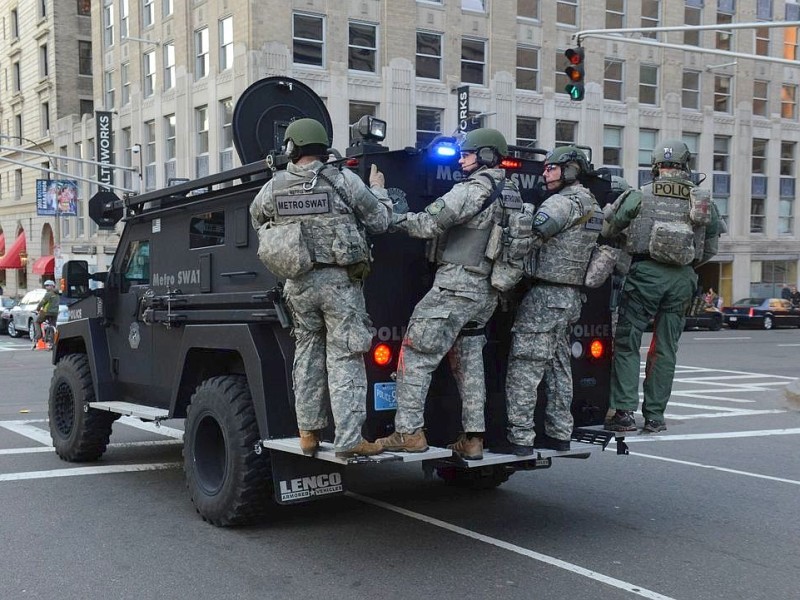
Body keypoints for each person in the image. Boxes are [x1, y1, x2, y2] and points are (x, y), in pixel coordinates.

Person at [374, 128, 523, 460]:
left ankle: (409, 432)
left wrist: (386, 208)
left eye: (468, 153)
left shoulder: (472, 191)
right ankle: (473, 438)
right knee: (469, 364)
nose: (461, 158)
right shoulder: (512, 193)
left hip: (456, 287)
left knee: (416, 352)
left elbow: (426, 224)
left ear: (486, 155)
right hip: (487, 292)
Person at [249, 118, 392, 459]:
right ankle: (348, 439)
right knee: (345, 355)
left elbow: (257, 218)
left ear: (291, 148)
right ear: (322, 147)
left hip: (298, 284)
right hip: (339, 284)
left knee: (308, 354)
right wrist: (380, 189)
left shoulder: (275, 186)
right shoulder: (343, 180)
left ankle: (308, 433)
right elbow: (381, 221)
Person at [604, 139, 722, 433]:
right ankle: (655, 417)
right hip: (682, 278)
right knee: (665, 348)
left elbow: (609, 228)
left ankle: (624, 413)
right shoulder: (703, 200)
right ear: (686, 166)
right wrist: (685, 265)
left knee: (628, 343)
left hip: (645, 274)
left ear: (656, 166)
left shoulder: (640, 195)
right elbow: (710, 248)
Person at [504, 146, 602, 454]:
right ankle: (560, 432)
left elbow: (526, 238)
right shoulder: (593, 205)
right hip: (571, 297)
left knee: (526, 364)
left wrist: (524, 211)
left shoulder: (562, 203)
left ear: (570, 170)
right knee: (559, 365)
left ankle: (520, 437)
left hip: (546, 295)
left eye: (551, 168)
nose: (544, 174)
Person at [33, 280, 60, 348]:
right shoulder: (57, 294)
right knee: (53, 326)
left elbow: (42, 303)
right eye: (45, 286)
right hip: (55, 313)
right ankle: (52, 342)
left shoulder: (49, 294)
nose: (46, 287)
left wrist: (37, 309)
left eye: (48, 285)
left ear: (52, 286)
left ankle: (38, 336)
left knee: (37, 322)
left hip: (46, 312)